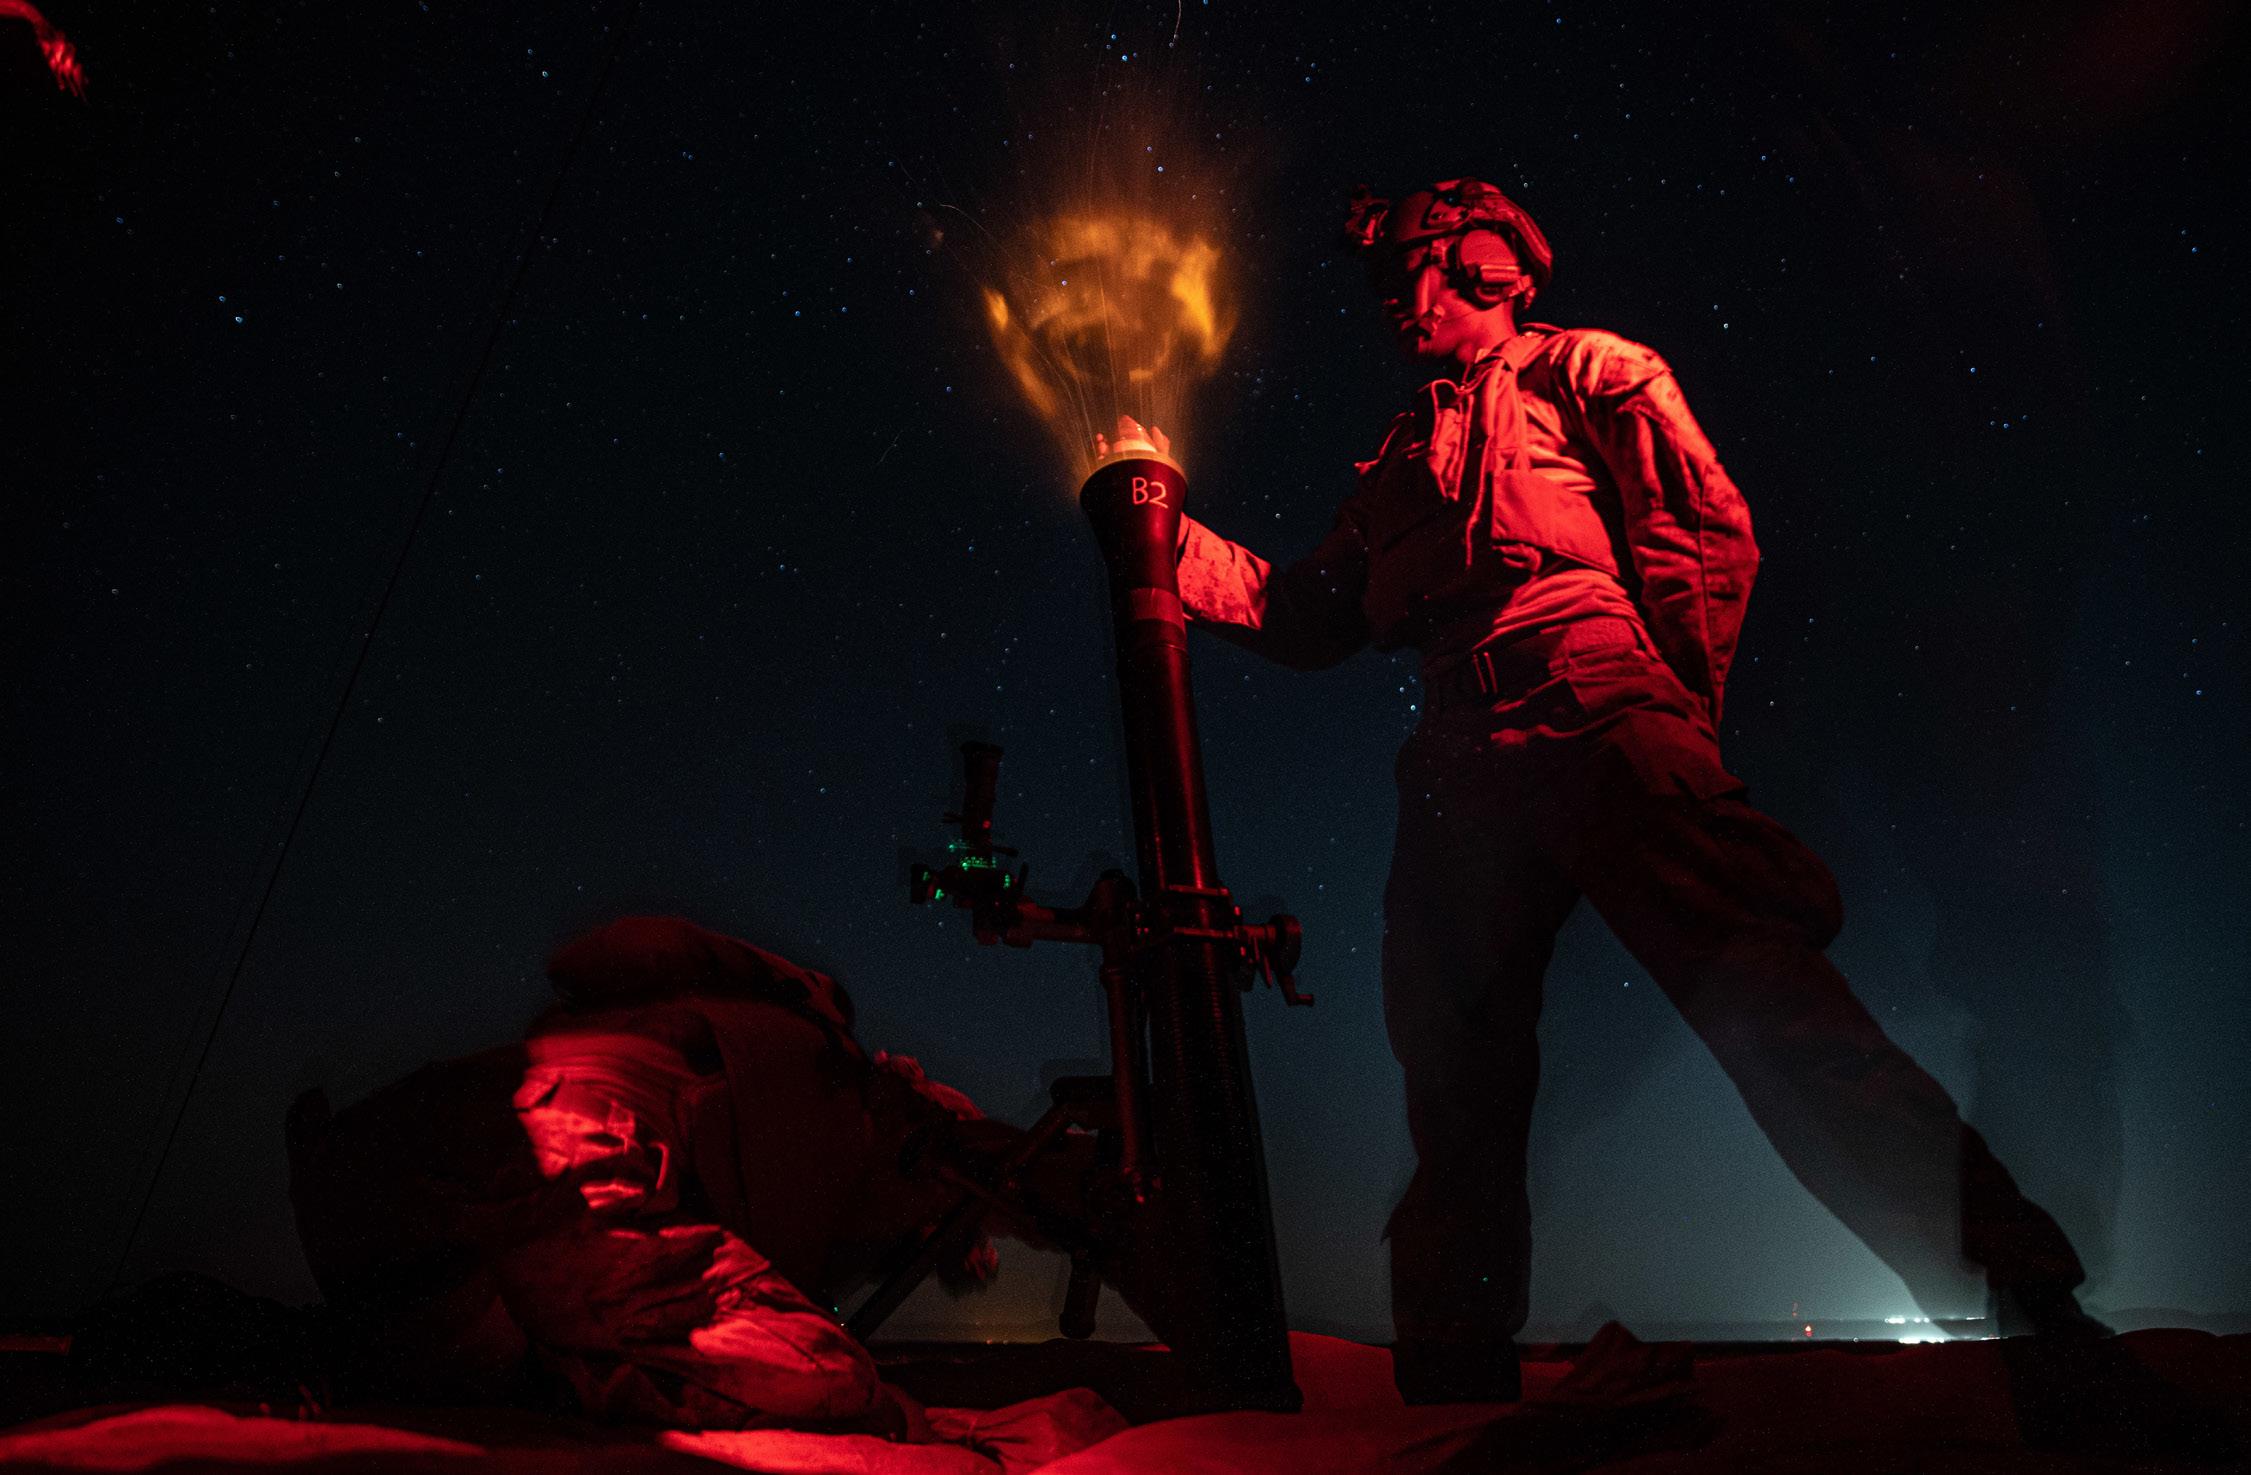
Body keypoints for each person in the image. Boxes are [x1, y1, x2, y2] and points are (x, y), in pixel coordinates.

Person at [1147, 178, 2095, 1404]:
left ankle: (2033, 1307)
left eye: (1411, 271)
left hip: (1595, 694)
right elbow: (1304, 612)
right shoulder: (1393, 462)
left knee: (1780, 1015)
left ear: (1484, 262)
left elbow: (1700, 531)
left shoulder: (1589, 368)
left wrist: (1668, 720)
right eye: (1383, 284)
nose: (1393, 302)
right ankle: (1452, 1378)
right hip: (1454, 752)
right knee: (1454, 1085)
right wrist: (1161, 529)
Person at [287, 915, 1058, 1435]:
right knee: (834, 1380)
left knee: (498, 1364)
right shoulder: (836, 1101)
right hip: (525, 1177)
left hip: (378, 1206)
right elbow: (965, 1156)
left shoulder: (752, 1059)